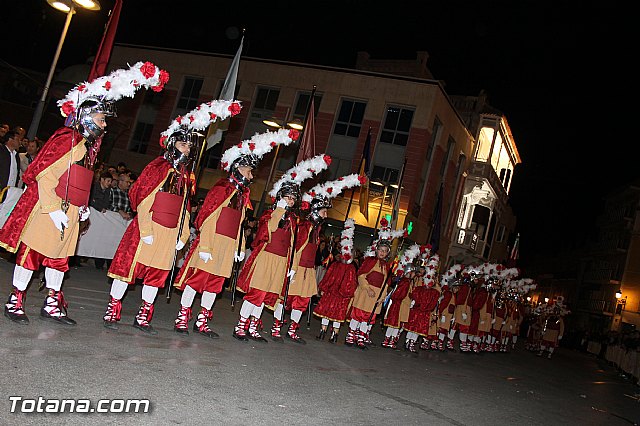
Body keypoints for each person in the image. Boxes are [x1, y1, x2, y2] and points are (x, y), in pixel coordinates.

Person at [0, 61, 168, 326]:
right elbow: (45, 175)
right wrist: (53, 208)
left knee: (59, 259)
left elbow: (76, 179)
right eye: (102, 119)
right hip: (49, 206)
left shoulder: (85, 146)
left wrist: (80, 205)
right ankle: (16, 300)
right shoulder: (67, 137)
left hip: (68, 209)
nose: (105, 125)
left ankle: (52, 304)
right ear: (87, 117)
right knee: (32, 254)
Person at [103, 99, 241, 334]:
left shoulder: (186, 176)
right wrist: (145, 230)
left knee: (156, 275)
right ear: (171, 145)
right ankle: (113, 308)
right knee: (130, 270)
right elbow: (144, 199)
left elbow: (185, 208)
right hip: (150, 229)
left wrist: (184, 234)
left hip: (169, 234)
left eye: (189, 146)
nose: (187, 149)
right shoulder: (158, 167)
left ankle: (144, 314)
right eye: (183, 145)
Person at [172, 126, 297, 338]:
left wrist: (239, 247)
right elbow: (208, 218)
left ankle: (202, 321)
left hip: (227, 247)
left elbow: (239, 225)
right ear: (238, 168)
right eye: (249, 171)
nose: (251, 175)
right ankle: (182, 317)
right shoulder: (222, 188)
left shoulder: (241, 195)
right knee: (197, 281)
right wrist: (204, 246)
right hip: (211, 244)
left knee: (214, 285)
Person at [233, 154, 331, 342]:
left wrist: (292, 267)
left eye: (293, 199)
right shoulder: (270, 213)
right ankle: (241, 325)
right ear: (279, 197)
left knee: (267, 296)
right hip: (266, 258)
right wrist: (279, 210)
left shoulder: (294, 220)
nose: (291, 201)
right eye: (287, 197)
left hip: (281, 261)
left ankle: (253, 327)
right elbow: (267, 230)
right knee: (257, 293)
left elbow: (294, 246)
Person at [270, 172, 362, 343]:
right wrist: (293, 268)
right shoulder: (305, 226)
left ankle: (292, 330)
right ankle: (276, 328)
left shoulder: (317, 229)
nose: (326, 215)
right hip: (297, 269)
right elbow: (296, 248)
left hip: (308, 270)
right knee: (286, 298)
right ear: (315, 210)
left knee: (303, 301)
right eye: (324, 211)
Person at [345, 218, 401, 350]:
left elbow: (386, 283)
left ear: (387, 253)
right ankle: (351, 335)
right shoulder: (370, 261)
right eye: (380, 250)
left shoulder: (386, 266)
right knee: (358, 314)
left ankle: (361, 337)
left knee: (368, 317)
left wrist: (381, 297)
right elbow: (361, 276)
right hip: (365, 292)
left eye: (384, 251)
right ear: (377, 250)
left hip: (376, 296)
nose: (382, 253)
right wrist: (367, 288)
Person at [312, 218, 358, 343]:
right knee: (328, 313)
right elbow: (328, 277)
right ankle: (324, 332)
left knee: (336, 315)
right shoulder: (336, 265)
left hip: (340, 295)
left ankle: (334, 334)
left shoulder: (350, 269)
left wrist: (346, 293)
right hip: (332, 293)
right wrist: (324, 288)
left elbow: (351, 283)